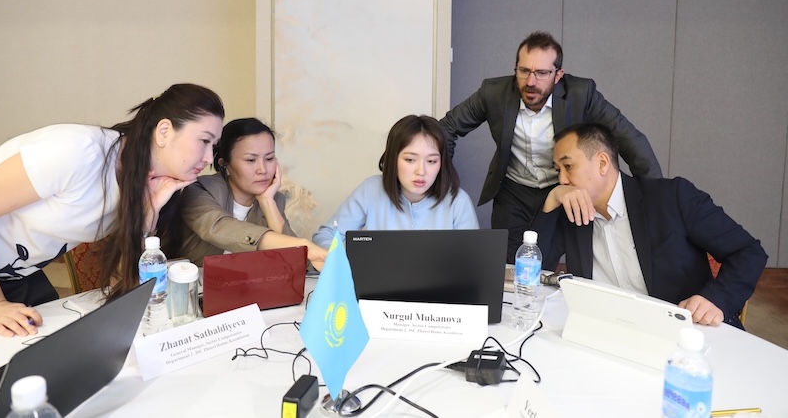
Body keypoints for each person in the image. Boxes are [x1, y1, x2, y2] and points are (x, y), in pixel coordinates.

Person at [0, 83, 225, 337]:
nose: (209, 158)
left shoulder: (150, 185)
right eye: (203, 141)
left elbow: (122, 285)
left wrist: (149, 213)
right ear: (164, 131)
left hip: (16, 275)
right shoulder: (76, 151)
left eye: (214, 146)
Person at [440, 30, 662, 263]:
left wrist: (655, 199)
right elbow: (447, 127)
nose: (531, 82)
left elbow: (629, 139)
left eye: (542, 73)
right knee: (508, 268)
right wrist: (441, 180)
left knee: (545, 264)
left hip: (563, 189)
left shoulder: (581, 94)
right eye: (524, 71)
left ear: (558, 75)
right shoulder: (493, 93)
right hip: (513, 192)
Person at [531, 123, 767, 328]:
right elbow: (530, 269)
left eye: (568, 167)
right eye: (557, 170)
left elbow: (748, 251)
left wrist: (716, 299)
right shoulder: (572, 212)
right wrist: (550, 202)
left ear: (603, 163)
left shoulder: (672, 197)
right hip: (604, 334)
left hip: (682, 333)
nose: (562, 180)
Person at [179, 118, 327, 269]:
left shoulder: (275, 200)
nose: (262, 170)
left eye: (269, 158)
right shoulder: (200, 190)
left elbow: (293, 264)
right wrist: (302, 244)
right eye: (250, 160)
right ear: (225, 165)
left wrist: (268, 202)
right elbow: (219, 228)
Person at [312, 115, 479, 248]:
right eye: (410, 160)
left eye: (431, 161)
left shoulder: (458, 201)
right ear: (393, 158)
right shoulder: (370, 190)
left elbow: (474, 257)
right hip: (376, 288)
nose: (421, 171)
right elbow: (326, 236)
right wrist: (339, 263)